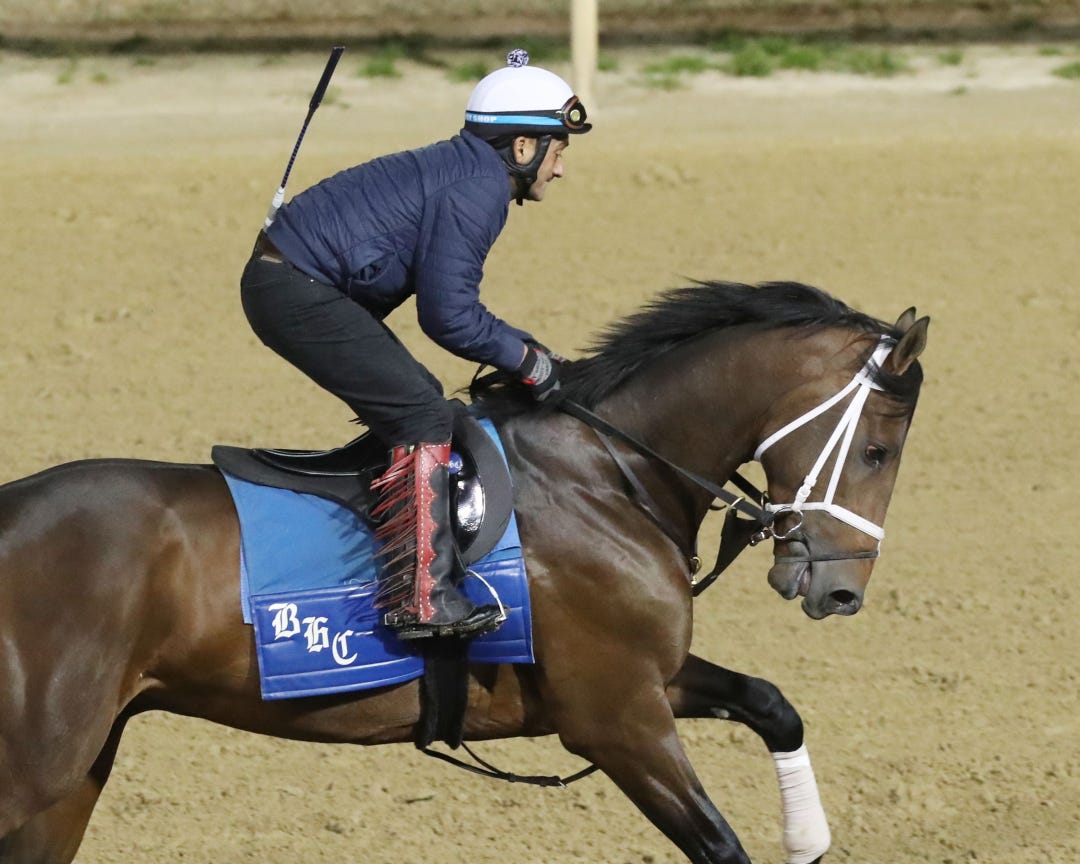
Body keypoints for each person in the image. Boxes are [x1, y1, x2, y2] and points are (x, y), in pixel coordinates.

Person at [239, 49, 591, 640]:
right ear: (524, 147)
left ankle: (392, 528)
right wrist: (530, 361)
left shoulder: (469, 171)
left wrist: (526, 352)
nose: (559, 169)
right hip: (292, 289)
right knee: (424, 413)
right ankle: (423, 600)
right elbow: (449, 317)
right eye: (558, 151)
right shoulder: (479, 187)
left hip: (293, 279)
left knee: (418, 397)